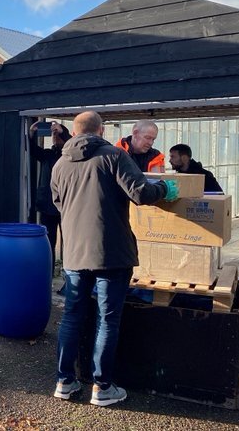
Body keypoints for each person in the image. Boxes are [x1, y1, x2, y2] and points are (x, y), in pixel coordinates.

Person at [50, 111, 178, 407]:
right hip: (112, 253)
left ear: (74, 131)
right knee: (107, 320)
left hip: (73, 254)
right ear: (102, 130)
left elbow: (58, 203)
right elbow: (141, 192)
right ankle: (101, 387)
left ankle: (64, 381)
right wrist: (165, 189)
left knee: (71, 316)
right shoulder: (113, 156)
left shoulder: (59, 164)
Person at [28, 120, 71, 270]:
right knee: (49, 242)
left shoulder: (70, 154)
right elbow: (32, 149)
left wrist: (63, 132)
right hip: (47, 205)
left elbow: (72, 144)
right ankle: (50, 273)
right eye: (53, 134)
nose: (55, 137)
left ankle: (70, 274)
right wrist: (32, 133)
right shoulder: (48, 154)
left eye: (57, 134)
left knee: (70, 242)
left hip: (66, 206)